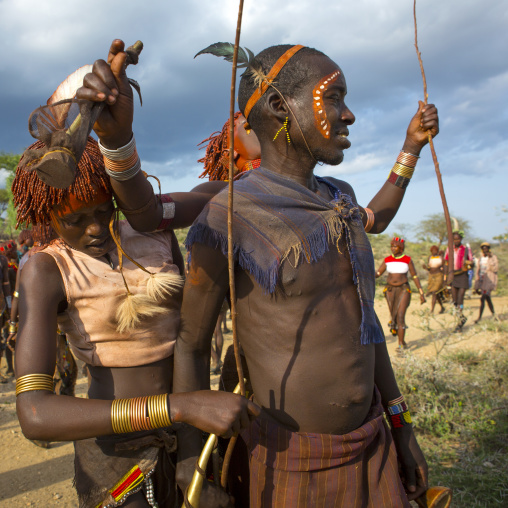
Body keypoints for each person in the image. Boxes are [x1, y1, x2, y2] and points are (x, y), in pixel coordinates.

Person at [79, 41, 439, 506]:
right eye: (334, 97)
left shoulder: (340, 199)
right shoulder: (228, 213)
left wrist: (399, 423)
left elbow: (364, 324)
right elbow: (190, 342)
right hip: (291, 460)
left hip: (373, 440)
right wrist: (194, 465)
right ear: (277, 107)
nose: (348, 115)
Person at [13, 135, 259, 507]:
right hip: (117, 453)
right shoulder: (46, 269)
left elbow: (217, 194)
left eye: (102, 210)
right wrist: (179, 406)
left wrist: (190, 450)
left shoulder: (151, 230)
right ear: (47, 216)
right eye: (75, 220)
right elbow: (35, 414)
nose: (95, 229)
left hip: (192, 434)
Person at [376, 237, 426, 349]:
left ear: (401, 248)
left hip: (404, 290)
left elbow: (414, 276)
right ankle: (401, 339)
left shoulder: (407, 259)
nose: (393, 248)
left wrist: (421, 292)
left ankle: (400, 345)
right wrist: (364, 271)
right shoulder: (387, 259)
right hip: (389, 291)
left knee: (400, 315)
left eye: (395, 246)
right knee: (393, 316)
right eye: (392, 246)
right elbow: (378, 273)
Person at [445, 231, 473, 332]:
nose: (456, 241)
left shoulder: (466, 250)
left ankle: (460, 322)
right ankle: (461, 317)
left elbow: (471, 263)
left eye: (458, 239)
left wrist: (468, 265)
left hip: (463, 276)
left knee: (460, 298)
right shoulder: (449, 249)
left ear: (461, 239)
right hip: (453, 276)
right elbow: (446, 263)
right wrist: (446, 278)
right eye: (454, 239)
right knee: (454, 301)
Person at [474, 242, 498, 323]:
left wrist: (490, 259)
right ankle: (494, 316)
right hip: (481, 280)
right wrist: (476, 286)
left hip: (489, 281)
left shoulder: (493, 258)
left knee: (483, 298)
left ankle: (479, 318)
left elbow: (495, 269)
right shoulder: (480, 258)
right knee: (488, 299)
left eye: (486, 248)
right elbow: (478, 271)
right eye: (483, 248)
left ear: (489, 248)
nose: (485, 250)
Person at [422, 245, 445, 313]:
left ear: (437, 251)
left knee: (434, 292)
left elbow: (444, 268)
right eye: (433, 251)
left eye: (435, 250)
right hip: (431, 276)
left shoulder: (441, 258)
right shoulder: (430, 257)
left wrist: (444, 279)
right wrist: (425, 268)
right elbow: (429, 268)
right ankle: (442, 307)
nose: (434, 252)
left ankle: (432, 310)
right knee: (436, 293)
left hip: (438, 275)